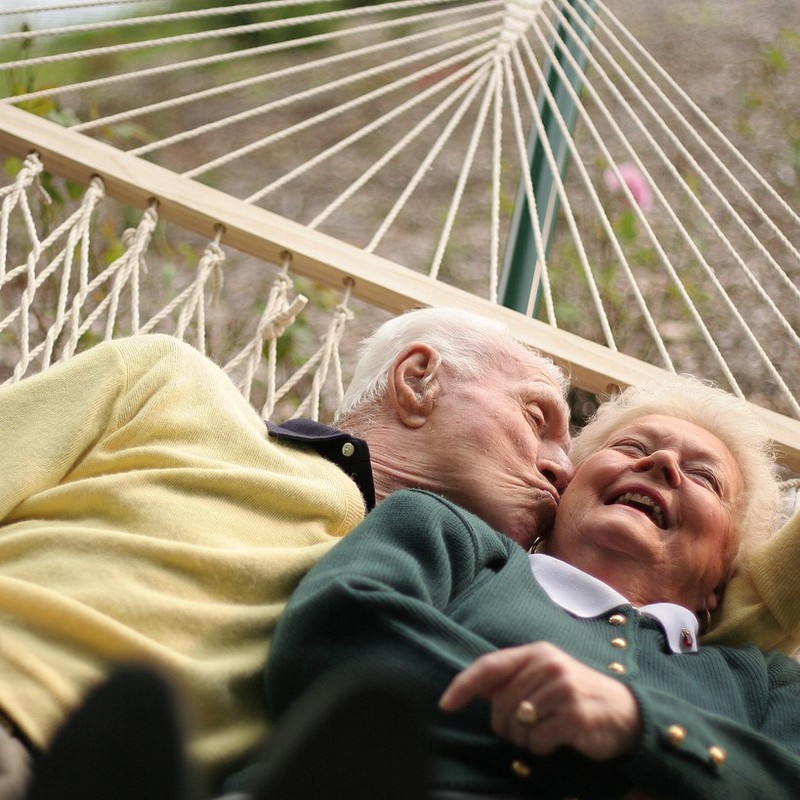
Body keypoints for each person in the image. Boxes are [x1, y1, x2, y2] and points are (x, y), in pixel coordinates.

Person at [0, 307, 573, 798]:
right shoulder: (170, 386)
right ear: (419, 379)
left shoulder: (431, 610)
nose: (562, 469)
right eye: (535, 417)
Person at [264, 374, 800, 799]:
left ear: (722, 577)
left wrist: (641, 726)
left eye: (705, 477)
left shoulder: (764, 683)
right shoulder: (451, 538)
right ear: (563, 493)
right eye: (630, 445)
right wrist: (624, 764)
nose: (659, 463)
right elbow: (336, 632)